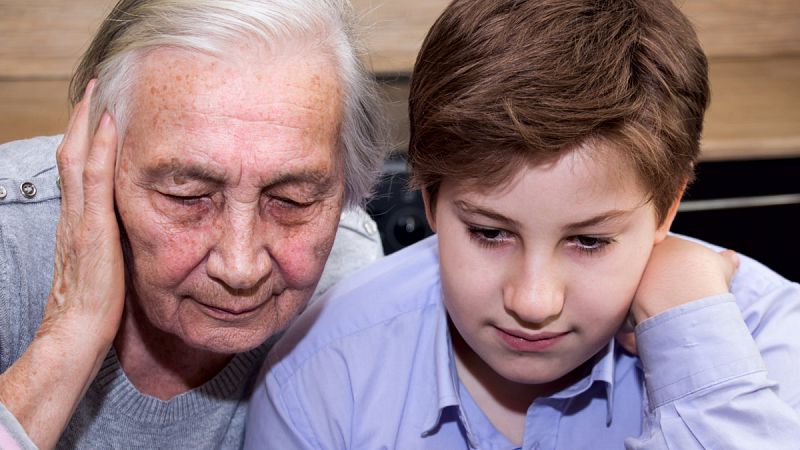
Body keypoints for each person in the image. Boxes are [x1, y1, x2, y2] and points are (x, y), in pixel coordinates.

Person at [245, 0, 800, 448]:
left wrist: (696, 353)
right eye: (490, 233)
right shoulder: (322, 378)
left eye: (589, 240)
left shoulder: (767, 343)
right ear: (429, 196)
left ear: (669, 206)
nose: (534, 303)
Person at [0, 0, 389, 448]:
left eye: (291, 200)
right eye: (187, 196)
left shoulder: (348, 280)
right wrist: (71, 332)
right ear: (98, 160)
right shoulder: (9, 241)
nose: (240, 269)